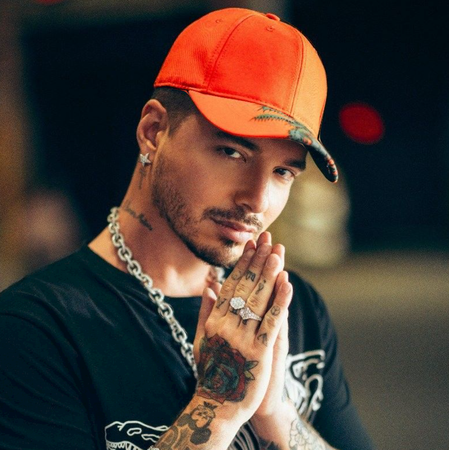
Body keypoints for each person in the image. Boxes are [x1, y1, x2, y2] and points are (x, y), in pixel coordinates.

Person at [0, 8, 374, 450]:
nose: (257, 200)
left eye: (283, 172)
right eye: (232, 152)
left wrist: (275, 412)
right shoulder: (35, 330)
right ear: (154, 131)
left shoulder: (294, 310)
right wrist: (217, 405)